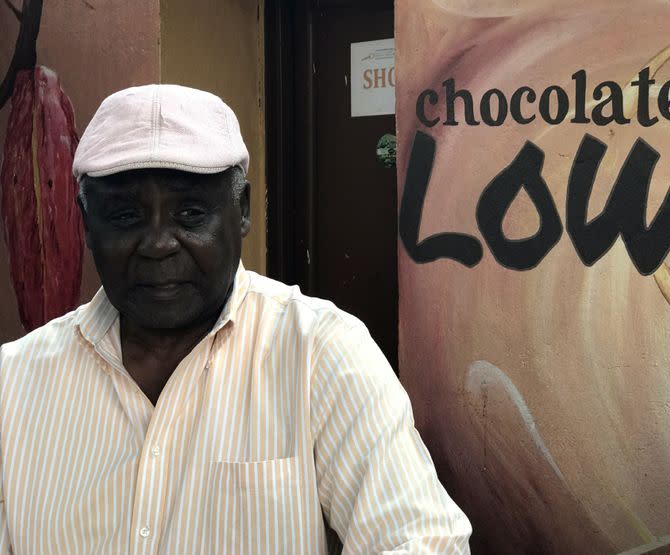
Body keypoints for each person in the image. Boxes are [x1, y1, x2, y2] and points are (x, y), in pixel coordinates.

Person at [0, 84, 471, 553]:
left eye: (190, 213)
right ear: (86, 223)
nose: (159, 243)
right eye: (125, 216)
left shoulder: (319, 353)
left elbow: (423, 543)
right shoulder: (14, 382)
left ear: (242, 210)